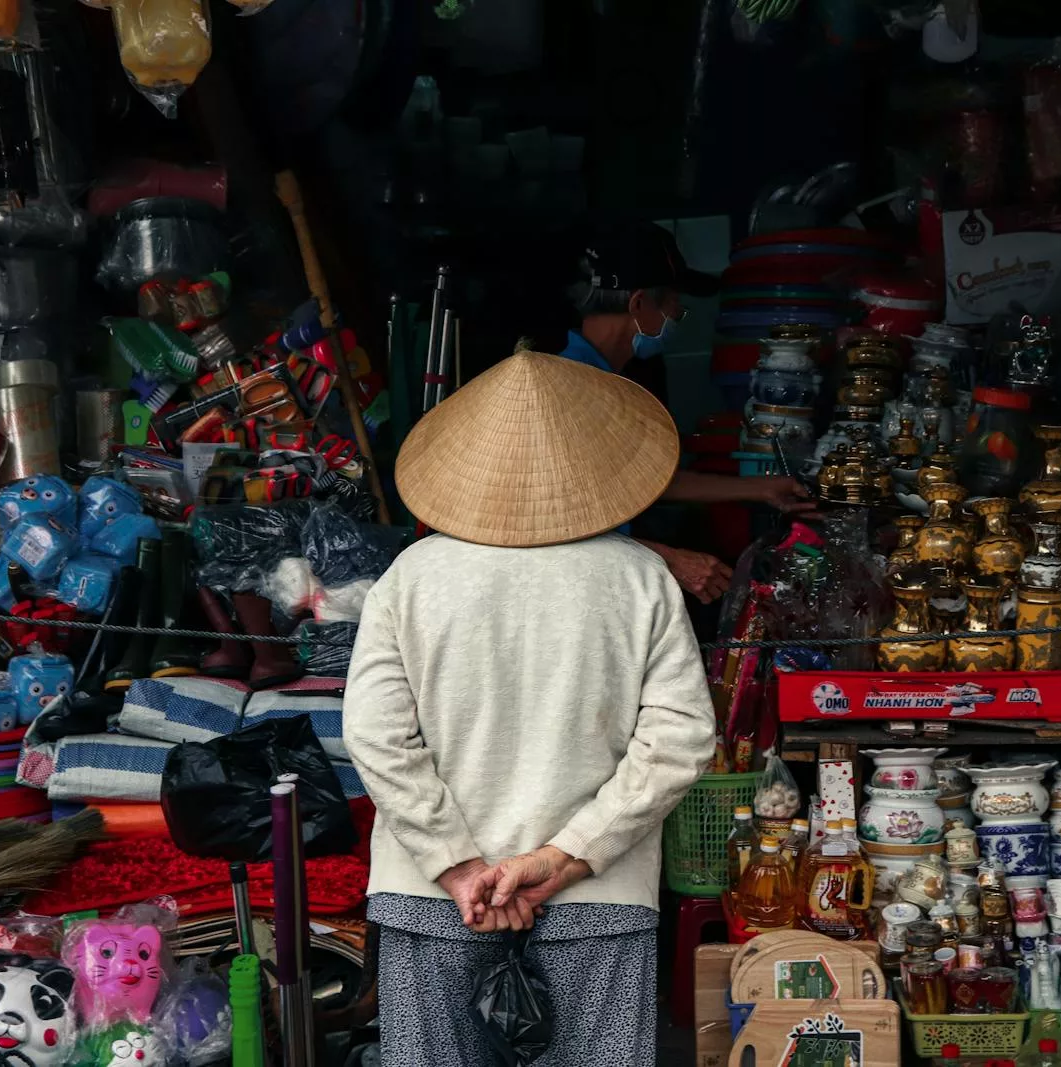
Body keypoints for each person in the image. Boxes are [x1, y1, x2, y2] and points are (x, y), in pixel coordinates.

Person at [343, 351, 716, 1066]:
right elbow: (680, 739)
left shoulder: (410, 578)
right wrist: (566, 856)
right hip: (597, 899)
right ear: (593, 468)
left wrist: (455, 866)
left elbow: (375, 736)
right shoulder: (641, 578)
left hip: (434, 896)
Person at [558, 222, 815, 602]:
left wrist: (761, 489)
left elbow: (647, 480)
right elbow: (554, 528)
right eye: (674, 301)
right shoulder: (567, 390)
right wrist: (667, 560)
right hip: (578, 591)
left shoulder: (605, 381)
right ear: (639, 304)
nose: (679, 312)